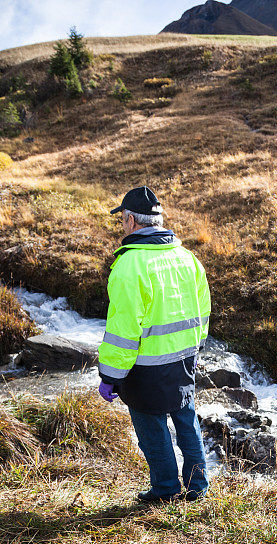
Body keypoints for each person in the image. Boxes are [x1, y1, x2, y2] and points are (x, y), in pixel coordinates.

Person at [97, 186, 211, 504]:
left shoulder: (128, 266)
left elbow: (122, 330)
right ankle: (197, 486)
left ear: (132, 220)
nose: (122, 223)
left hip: (145, 368)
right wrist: (195, 349)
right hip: (184, 359)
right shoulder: (187, 258)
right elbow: (203, 311)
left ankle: (165, 490)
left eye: (122, 218)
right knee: (186, 421)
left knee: (152, 428)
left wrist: (110, 376)